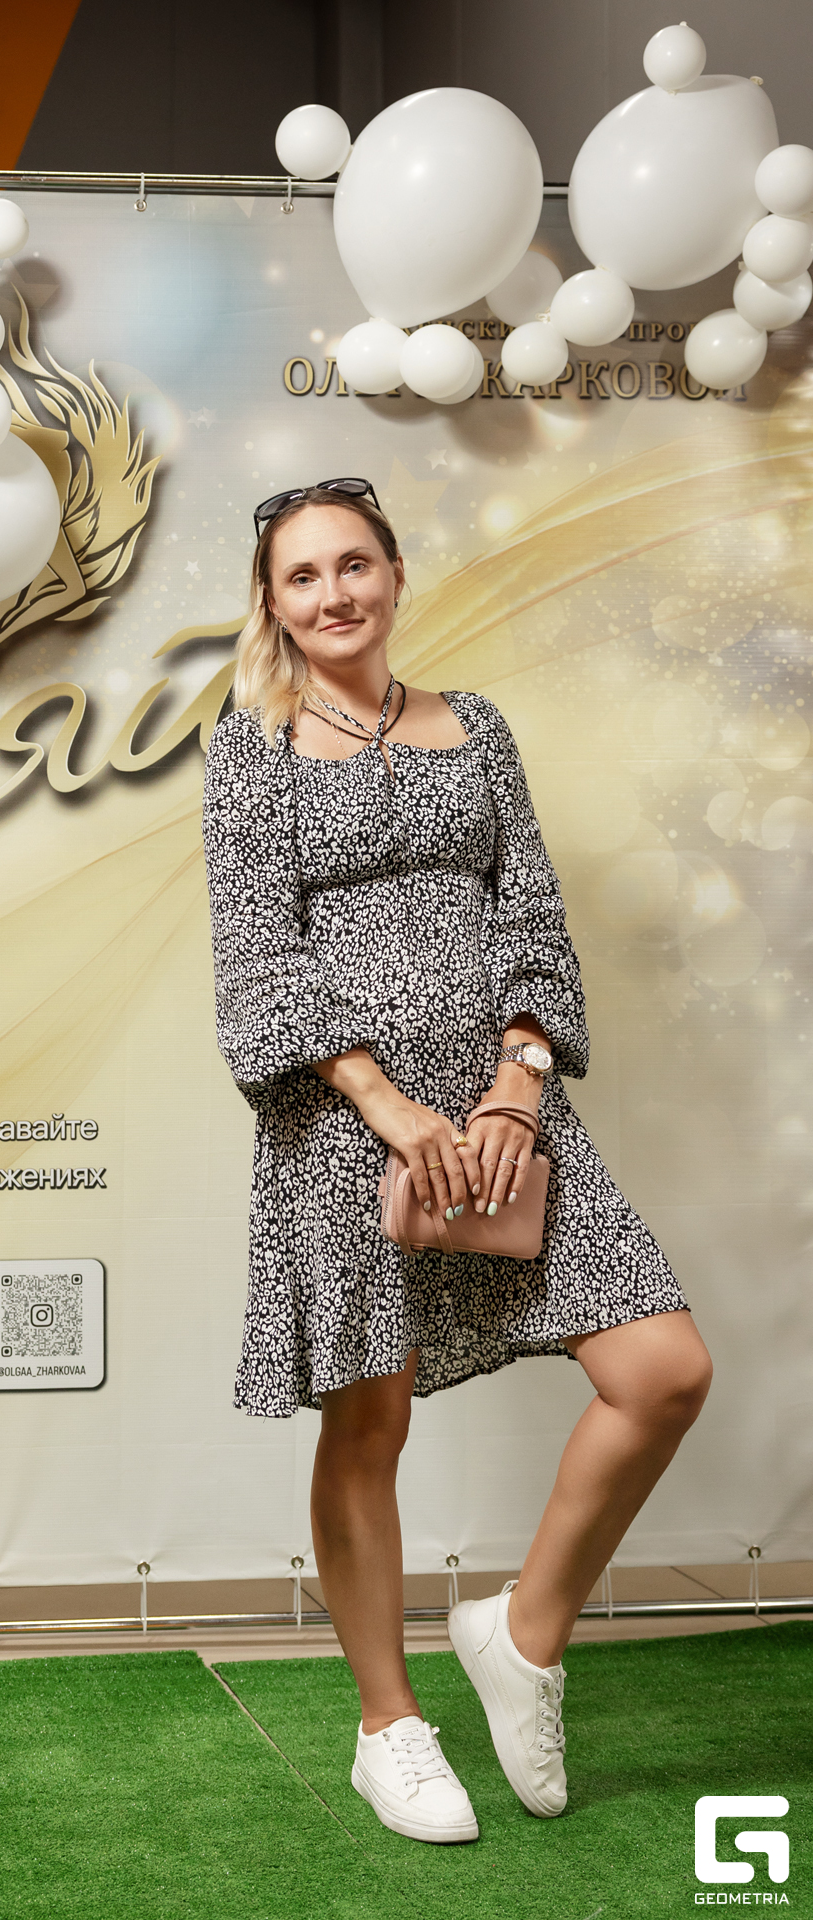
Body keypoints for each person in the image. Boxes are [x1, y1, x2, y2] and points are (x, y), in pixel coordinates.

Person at [200, 479, 712, 1846]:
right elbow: (257, 957)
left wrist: (516, 1088)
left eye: (353, 564)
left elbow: (531, 911)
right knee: (370, 1421)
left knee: (662, 1370)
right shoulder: (248, 752)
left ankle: (521, 1635)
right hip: (339, 1126)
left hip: (503, 1117)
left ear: (395, 574)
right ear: (272, 602)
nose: (333, 594)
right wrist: (385, 1103)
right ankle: (390, 1727)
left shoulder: (476, 727)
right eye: (302, 576)